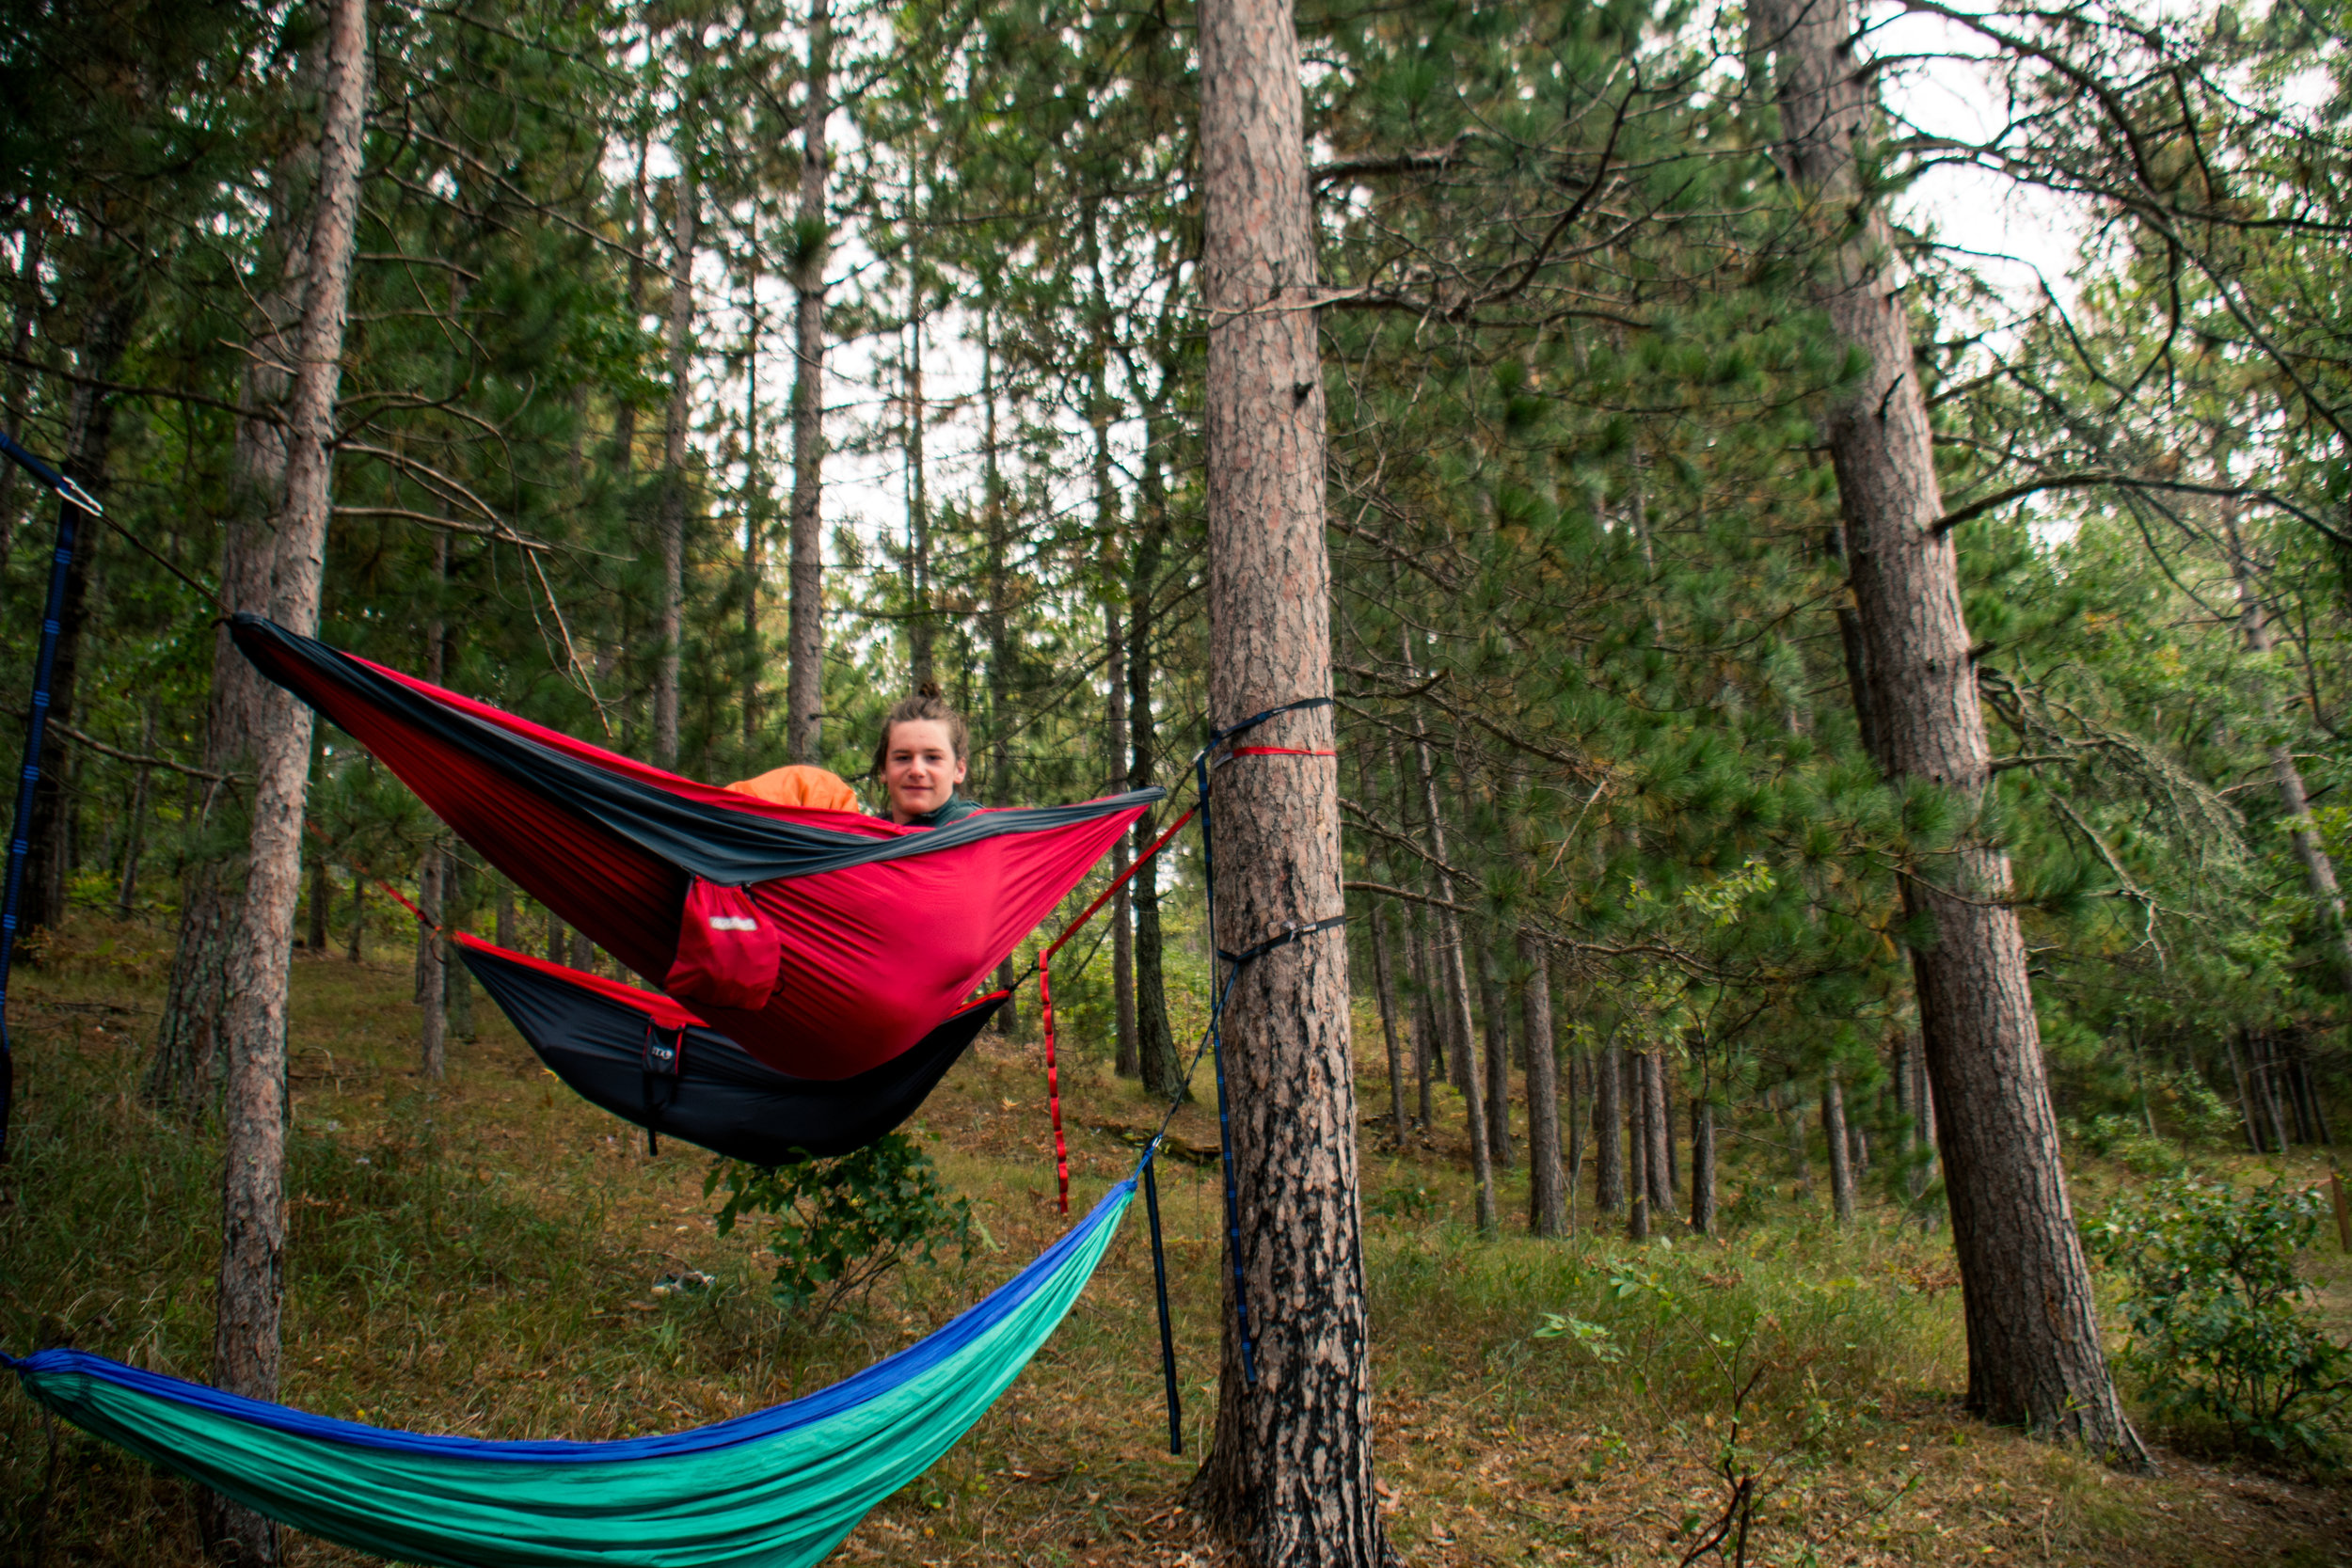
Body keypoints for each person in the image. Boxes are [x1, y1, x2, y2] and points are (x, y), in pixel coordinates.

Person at [872, 688, 978, 826]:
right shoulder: (865, 838)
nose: (917, 771)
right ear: (883, 769)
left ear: (959, 769)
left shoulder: (979, 833)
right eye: (903, 758)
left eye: (933, 758)